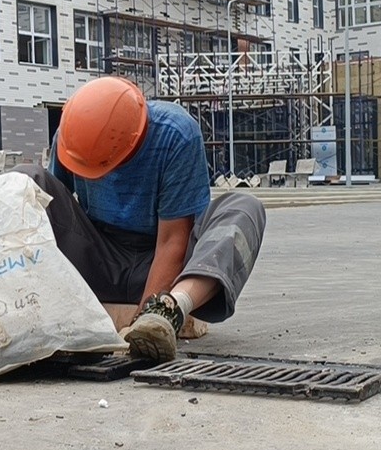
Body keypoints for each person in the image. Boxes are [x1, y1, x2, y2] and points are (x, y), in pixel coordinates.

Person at [15, 76, 266, 363]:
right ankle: (18, 304)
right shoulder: (72, 137)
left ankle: (170, 308)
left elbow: (173, 240)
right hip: (99, 258)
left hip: (165, 263)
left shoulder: (176, 134)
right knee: (26, 182)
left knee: (244, 207)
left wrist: (145, 321)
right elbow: (51, 210)